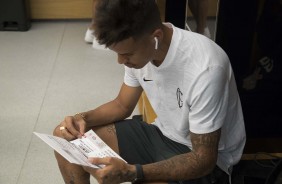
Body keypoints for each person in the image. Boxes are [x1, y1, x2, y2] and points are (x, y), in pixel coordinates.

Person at [53, 0, 246, 183]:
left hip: (204, 159)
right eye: (117, 53)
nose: (120, 61)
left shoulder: (206, 68)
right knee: (66, 139)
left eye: (126, 54)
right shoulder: (140, 50)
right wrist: (83, 118)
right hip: (161, 133)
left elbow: (204, 160)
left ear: (156, 37)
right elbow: (122, 105)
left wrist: (133, 172)